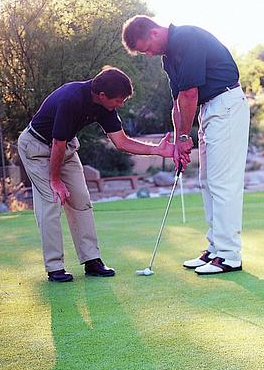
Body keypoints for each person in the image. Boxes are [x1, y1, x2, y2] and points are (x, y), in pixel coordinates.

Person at [18, 66, 190, 282]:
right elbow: (57, 143)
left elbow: (121, 142)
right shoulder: (70, 98)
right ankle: (55, 267)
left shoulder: (105, 107)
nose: (121, 104)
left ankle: (92, 260)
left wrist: (157, 150)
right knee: (52, 202)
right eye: (118, 100)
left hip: (65, 148)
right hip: (36, 148)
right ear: (101, 95)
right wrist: (55, 180)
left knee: (81, 199)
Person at [122, 16, 250, 275]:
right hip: (209, 111)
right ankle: (215, 248)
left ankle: (229, 255)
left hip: (226, 105)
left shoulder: (187, 38)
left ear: (154, 32)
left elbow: (190, 93)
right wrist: (180, 140)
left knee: (222, 183)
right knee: (206, 181)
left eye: (145, 47)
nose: (147, 54)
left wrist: (183, 138)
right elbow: (178, 101)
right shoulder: (168, 57)